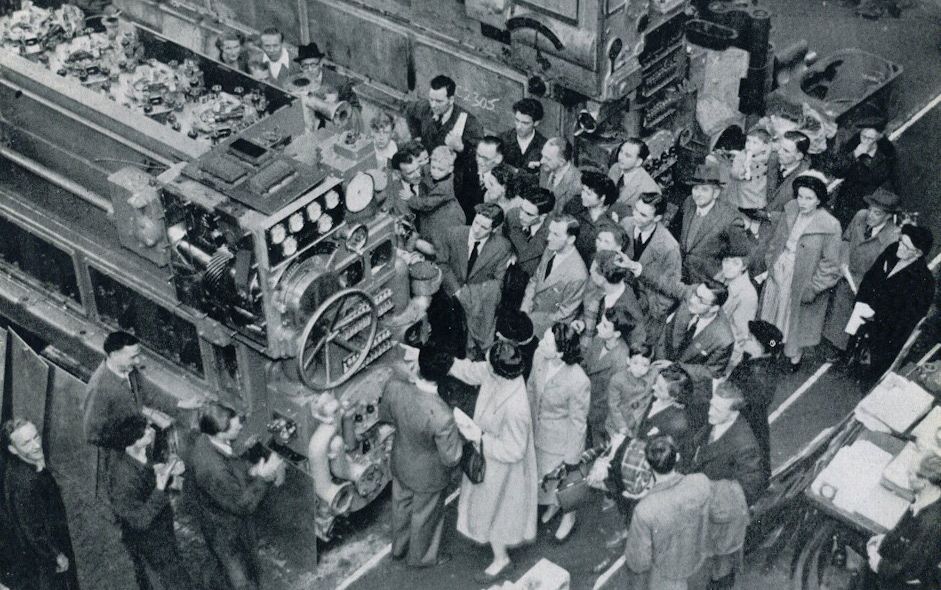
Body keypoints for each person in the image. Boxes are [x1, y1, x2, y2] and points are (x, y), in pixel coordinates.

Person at [449, 341, 538, 584]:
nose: (485, 364)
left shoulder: (516, 407)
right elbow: (473, 371)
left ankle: (502, 559)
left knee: (499, 513)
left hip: (504, 470)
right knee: (489, 509)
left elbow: (514, 450)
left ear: (498, 370)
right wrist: (446, 363)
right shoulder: (500, 372)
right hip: (491, 459)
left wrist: (480, 438)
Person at [378, 348, 463, 567]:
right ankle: (421, 558)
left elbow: (386, 416)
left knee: (401, 507)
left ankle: (399, 548)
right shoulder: (443, 416)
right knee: (425, 516)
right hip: (428, 475)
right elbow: (451, 457)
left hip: (401, 461)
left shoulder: (395, 388)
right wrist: (463, 438)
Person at [187, 404, 283, 590]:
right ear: (220, 432)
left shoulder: (207, 440)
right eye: (235, 426)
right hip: (226, 531)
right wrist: (264, 477)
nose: (240, 426)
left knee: (224, 564)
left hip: (217, 518)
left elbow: (231, 463)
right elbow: (242, 505)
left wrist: (251, 471)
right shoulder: (214, 469)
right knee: (240, 575)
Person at [759, 171, 841, 371]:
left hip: (803, 277)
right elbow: (776, 241)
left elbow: (831, 264)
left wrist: (813, 288)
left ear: (819, 200)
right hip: (780, 269)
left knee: (793, 319)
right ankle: (771, 347)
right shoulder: (791, 209)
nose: (802, 202)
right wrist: (771, 263)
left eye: (809, 198)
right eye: (800, 196)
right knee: (773, 312)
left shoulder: (830, 225)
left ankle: (792, 357)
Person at [102, 416, 194, 590]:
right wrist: (160, 488)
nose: (150, 431)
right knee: (172, 577)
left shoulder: (139, 451)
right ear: (131, 442)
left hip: (161, 525)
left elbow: (146, 472)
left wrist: (163, 469)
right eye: (144, 431)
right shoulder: (122, 480)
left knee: (172, 566)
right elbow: (140, 520)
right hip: (149, 538)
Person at [623, 436, 712, 590]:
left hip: (667, 578)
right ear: (676, 457)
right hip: (698, 566)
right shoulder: (701, 482)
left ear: (649, 465)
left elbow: (639, 562)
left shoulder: (644, 509)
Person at [528, 323, 590, 543]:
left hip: (558, 441)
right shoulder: (539, 356)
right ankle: (552, 505)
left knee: (563, 481)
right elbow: (531, 388)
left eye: (547, 342)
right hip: (537, 431)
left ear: (560, 353)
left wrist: (572, 460)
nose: (540, 344)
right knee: (543, 477)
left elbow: (578, 422)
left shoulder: (578, 381)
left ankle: (568, 516)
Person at [822, 188, 901, 361]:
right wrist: (843, 262)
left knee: (854, 319)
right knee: (838, 313)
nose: (870, 215)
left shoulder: (893, 238)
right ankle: (836, 345)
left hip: (865, 283)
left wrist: (866, 286)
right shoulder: (860, 216)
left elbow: (886, 270)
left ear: (888, 217)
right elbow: (846, 239)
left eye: (877, 213)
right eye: (870, 209)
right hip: (846, 273)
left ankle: (845, 350)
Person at [2, 418, 80, 590]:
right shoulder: (25, 484)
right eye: (27, 443)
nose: (36, 445)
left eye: (35, 437)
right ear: (13, 449)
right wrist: (56, 555)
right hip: (45, 558)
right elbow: (32, 529)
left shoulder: (21, 466)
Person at [852, 224, 936, 378]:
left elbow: (907, 318)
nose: (900, 246)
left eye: (906, 246)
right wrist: (860, 301)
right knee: (855, 349)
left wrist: (876, 317)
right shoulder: (893, 250)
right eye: (901, 241)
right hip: (864, 314)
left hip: (886, 333)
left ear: (918, 253)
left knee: (871, 369)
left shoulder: (924, 283)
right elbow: (871, 276)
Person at [655, 281, 735, 429]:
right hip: (659, 370)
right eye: (695, 294)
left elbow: (711, 373)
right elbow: (665, 283)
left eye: (701, 300)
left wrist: (676, 367)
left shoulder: (723, 339)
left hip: (681, 390)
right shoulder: (692, 300)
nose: (692, 300)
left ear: (714, 308)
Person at [404, 74, 484, 219]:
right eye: (431, 99)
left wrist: (462, 148)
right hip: (428, 174)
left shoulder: (469, 123)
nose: (433, 105)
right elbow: (409, 111)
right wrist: (416, 137)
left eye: (439, 101)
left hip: (455, 184)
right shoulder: (425, 108)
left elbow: (481, 156)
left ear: (451, 99)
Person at [865, 454, 941, 590]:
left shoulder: (931, 523)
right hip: (902, 561)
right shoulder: (926, 496)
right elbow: (908, 530)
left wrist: (877, 562)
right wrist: (888, 538)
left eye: (911, 473)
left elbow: (908, 571)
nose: (907, 474)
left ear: (924, 483)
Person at [684, 383, 767, 505]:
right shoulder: (716, 418)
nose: (710, 412)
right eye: (712, 405)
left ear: (734, 413)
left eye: (717, 410)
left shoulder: (746, 446)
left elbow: (748, 490)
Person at [620, 192, 683, 347]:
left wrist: (653, 312)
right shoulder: (626, 224)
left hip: (646, 315)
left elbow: (672, 288)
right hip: (621, 301)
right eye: (635, 209)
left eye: (643, 214)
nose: (635, 216)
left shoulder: (670, 247)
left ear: (657, 218)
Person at [727, 320, 785, 479]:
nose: (745, 339)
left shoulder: (757, 376)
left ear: (761, 347)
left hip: (745, 421)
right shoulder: (764, 361)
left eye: (751, 338)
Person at [669, 163, 739, 283]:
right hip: (680, 272)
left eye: (704, 189)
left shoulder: (728, 218)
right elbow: (674, 230)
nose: (698, 194)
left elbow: (739, 252)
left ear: (716, 193)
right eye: (696, 188)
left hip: (704, 279)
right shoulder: (688, 202)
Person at [521, 214, 588, 336]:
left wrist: (532, 321)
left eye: (556, 234)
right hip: (528, 315)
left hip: (543, 329)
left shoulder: (578, 275)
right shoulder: (550, 250)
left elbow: (565, 314)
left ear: (571, 239)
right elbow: (535, 280)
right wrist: (525, 308)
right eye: (550, 232)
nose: (548, 237)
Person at [831, 118, 898, 228]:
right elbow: (836, 171)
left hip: (869, 207)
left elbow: (890, 183)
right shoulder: (852, 146)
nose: (865, 141)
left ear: (879, 137)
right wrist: (854, 154)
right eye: (863, 136)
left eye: (870, 138)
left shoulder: (887, 154)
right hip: (846, 204)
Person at [582, 309, 635, 448]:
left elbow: (615, 399)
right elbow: (586, 364)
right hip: (585, 405)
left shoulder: (622, 361)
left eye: (605, 326)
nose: (598, 326)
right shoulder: (599, 339)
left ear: (617, 334)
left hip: (600, 418)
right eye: (601, 322)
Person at [580, 250, 647, 347]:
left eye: (593, 271)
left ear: (602, 278)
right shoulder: (602, 290)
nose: (590, 271)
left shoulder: (631, 312)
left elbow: (636, 345)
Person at [715, 230, 759, 369]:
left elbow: (739, 337)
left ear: (744, 266)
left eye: (735, 263)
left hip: (722, 354)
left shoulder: (747, 295)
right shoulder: (722, 276)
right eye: (726, 261)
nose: (728, 267)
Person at [408, 146, 465, 251]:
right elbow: (425, 169)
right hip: (438, 208)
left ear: (450, 169)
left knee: (439, 240)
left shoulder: (444, 187)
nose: (435, 172)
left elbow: (427, 204)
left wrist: (410, 198)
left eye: (440, 169)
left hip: (446, 214)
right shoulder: (431, 169)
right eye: (433, 167)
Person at [565, 170, 621, 264]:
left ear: (602, 198)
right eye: (583, 190)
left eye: (588, 193)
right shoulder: (574, 205)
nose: (582, 195)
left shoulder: (612, 219)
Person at [503, 187, 555, 279]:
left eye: (528, 214)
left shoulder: (552, 235)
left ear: (543, 216)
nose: (521, 216)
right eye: (521, 208)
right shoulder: (512, 215)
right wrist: (509, 254)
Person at [606, 344, 655, 439]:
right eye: (635, 363)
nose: (639, 368)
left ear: (650, 365)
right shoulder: (617, 379)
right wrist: (621, 426)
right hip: (619, 423)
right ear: (628, 361)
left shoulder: (652, 375)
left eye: (645, 365)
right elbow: (613, 406)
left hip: (638, 423)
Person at [607, 138, 661, 219]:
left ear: (638, 162)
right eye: (621, 151)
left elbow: (646, 221)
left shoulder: (650, 190)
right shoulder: (615, 168)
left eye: (627, 155)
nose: (621, 157)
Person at [767, 130, 811, 213]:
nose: (779, 152)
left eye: (786, 151)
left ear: (798, 156)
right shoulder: (771, 158)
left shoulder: (804, 180)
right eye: (780, 147)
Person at [500, 98, 546, 175]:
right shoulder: (502, 139)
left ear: (536, 123)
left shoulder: (544, 147)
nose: (518, 127)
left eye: (525, 123)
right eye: (517, 120)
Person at [539, 138, 582, 214]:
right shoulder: (545, 168)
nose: (541, 161)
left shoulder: (577, 185)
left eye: (547, 159)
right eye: (542, 155)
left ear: (562, 162)